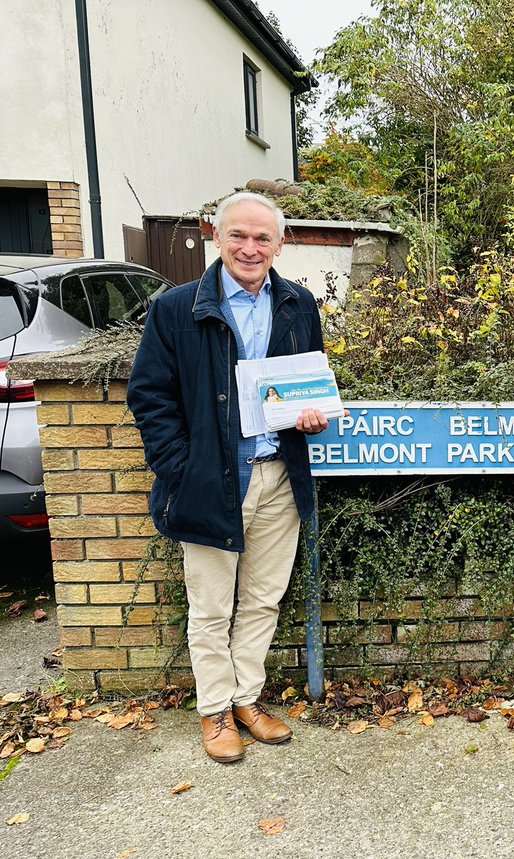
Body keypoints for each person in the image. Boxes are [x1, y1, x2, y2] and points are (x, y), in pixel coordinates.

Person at [128, 191, 331, 764]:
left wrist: (310, 416)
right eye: (238, 236)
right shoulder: (176, 309)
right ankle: (214, 711)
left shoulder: (298, 304)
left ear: (279, 244)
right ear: (214, 237)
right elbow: (149, 397)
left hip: (279, 477)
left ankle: (247, 700)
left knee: (263, 600)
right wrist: (179, 468)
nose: (250, 247)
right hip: (211, 480)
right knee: (212, 606)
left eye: (262, 238)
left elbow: (308, 382)